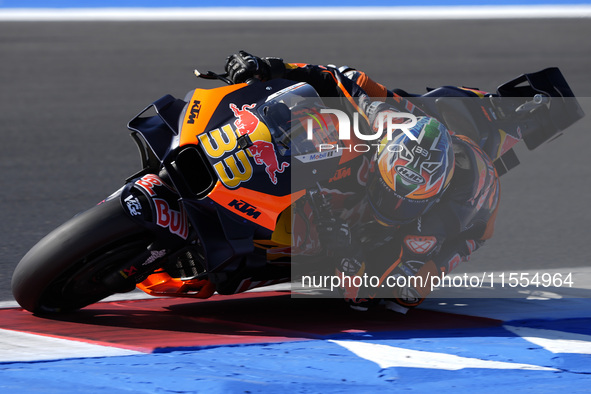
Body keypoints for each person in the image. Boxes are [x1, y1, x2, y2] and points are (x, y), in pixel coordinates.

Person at [224, 51, 500, 313]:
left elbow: (376, 296)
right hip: (421, 124)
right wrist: (269, 69)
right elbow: (341, 78)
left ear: (430, 202)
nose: (392, 206)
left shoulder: (431, 229)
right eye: (387, 192)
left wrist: (348, 252)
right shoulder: (386, 122)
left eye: (403, 204)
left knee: (391, 296)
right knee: (337, 110)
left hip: (458, 219)